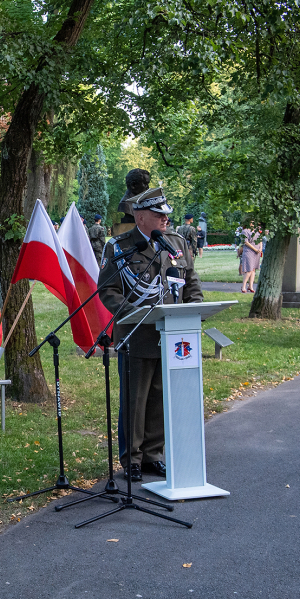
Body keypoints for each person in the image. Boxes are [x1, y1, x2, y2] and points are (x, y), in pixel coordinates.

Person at [99, 171, 203, 482]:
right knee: (136, 398)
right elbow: (108, 291)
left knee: (160, 396)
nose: (165, 220)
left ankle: (153, 455)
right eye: (159, 214)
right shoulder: (119, 247)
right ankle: (132, 458)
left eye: (166, 214)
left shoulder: (176, 243)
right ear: (141, 216)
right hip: (137, 333)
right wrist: (133, 313)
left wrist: (194, 310)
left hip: (172, 335)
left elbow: (191, 283)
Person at [239, 221, 262, 293]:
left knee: (253, 270)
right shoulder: (245, 231)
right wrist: (255, 249)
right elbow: (246, 242)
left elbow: (260, 240)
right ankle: (243, 287)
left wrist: (260, 249)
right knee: (249, 269)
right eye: (252, 222)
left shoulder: (256, 232)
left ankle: (251, 286)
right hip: (249, 252)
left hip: (256, 252)